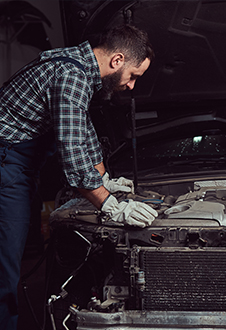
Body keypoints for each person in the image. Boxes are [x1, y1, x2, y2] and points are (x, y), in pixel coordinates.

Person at [0, 24, 157, 330]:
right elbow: (72, 155)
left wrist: (105, 180)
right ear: (117, 61)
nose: (131, 86)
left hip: (16, 165)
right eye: (134, 75)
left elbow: (82, 132)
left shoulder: (75, 65)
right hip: (6, 164)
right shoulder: (71, 76)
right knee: (4, 269)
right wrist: (112, 205)